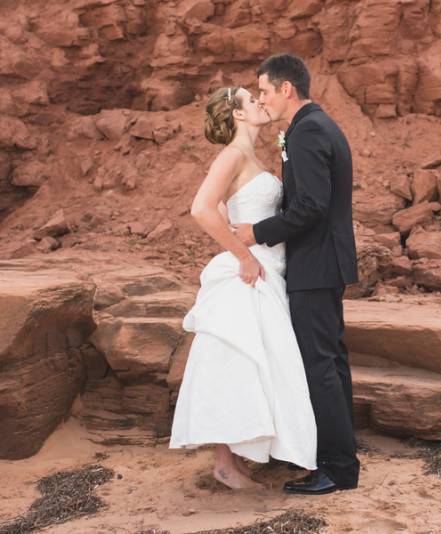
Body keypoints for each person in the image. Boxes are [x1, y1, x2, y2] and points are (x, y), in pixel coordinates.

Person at [169, 85, 317, 490]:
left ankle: (234, 459)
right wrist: (243, 256)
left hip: (270, 266)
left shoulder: (251, 155)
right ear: (236, 114)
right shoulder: (233, 155)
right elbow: (202, 208)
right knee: (238, 362)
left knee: (255, 364)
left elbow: (223, 207)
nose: (260, 103)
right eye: (252, 100)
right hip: (252, 271)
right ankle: (224, 465)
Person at [233, 53, 361, 495]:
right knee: (332, 364)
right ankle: (342, 459)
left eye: (264, 91)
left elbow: (311, 206)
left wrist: (257, 233)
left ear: (287, 89)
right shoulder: (318, 125)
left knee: (320, 367)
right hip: (325, 262)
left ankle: (338, 468)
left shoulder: (307, 132)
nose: (262, 99)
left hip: (314, 264)